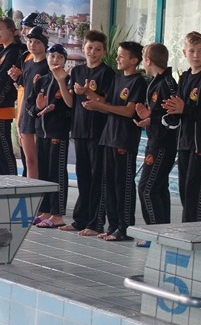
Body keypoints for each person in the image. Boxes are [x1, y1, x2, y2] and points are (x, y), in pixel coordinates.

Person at [83, 41, 147, 241]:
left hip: (124, 139)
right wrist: (89, 95)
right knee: (108, 184)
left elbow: (128, 111)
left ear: (134, 60)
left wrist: (101, 107)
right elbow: (107, 102)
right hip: (109, 137)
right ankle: (112, 226)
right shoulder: (118, 78)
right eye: (117, 55)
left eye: (121, 56)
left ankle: (125, 228)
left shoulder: (138, 82)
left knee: (123, 184)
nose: (117, 58)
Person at [163, 31, 201, 222]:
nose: (196, 55)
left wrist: (185, 109)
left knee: (195, 191)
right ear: (184, 52)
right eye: (192, 51)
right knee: (184, 190)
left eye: (200, 51)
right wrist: (170, 112)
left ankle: (194, 232)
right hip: (184, 141)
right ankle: (187, 230)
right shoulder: (184, 77)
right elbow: (180, 109)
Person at [59, 30, 115, 235]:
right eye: (90, 48)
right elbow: (70, 102)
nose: (93, 52)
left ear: (104, 51)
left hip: (98, 132)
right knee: (83, 176)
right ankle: (80, 220)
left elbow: (107, 103)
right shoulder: (77, 71)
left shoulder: (107, 73)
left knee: (97, 177)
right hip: (80, 129)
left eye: (98, 49)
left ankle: (96, 223)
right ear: (83, 48)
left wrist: (88, 92)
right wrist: (60, 81)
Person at [135, 43, 180, 233]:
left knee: (146, 188)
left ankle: (155, 232)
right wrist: (149, 118)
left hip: (163, 144)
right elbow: (160, 113)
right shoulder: (158, 81)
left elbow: (174, 118)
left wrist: (150, 117)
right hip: (156, 140)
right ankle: (163, 231)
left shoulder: (167, 84)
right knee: (159, 187)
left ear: (148, 61)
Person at [26, 44, 71, 228]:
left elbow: (71, 108)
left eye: (60, 57)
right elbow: (29, 107)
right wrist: (38, 107)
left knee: (57, 173)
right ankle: (45, 210)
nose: (55, 60)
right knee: (43, 172)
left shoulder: (68, 81)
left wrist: (54, 108)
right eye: (52, 56)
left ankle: (57, 214)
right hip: (41, 133)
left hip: (58, 134)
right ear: (47, 58)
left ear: (65, 61)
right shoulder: (41, 80)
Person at [9, 26, 50, 181]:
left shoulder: (48, 66)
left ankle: (41, 191)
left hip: (40, 117)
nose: (32, 45)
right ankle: (32, 191)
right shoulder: (27, 64)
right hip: (26, 116)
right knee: (29, 160)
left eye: (37, 42)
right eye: (30, 41)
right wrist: (20, 119)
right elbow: (26, 92)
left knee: (40, 160)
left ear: (45, 44)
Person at [0, 17, 25, 175]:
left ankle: (11, 180)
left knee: (4, 151)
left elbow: (6, 81)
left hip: (4, 108)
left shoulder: (15, 51)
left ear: (11, 30)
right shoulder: (3, 50)